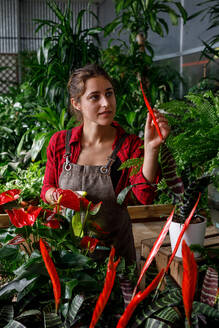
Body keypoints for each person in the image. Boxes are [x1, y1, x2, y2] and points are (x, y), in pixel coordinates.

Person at [41, 63, 170, 266]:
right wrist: (58, 196)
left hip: (115, 259)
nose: (106, 103)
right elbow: (46, 189)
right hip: (70, 258)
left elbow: (142, 197)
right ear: (76, 103)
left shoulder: (129, 146)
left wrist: (152, 149)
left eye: (109, 94)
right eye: (95, 97)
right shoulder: (60, 143)